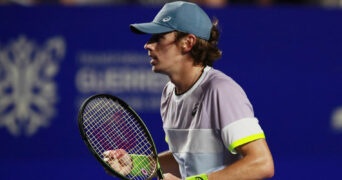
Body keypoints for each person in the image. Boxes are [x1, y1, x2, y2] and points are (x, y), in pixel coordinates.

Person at [105, 1, 274, 180]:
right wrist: (133, 164)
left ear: (188, 42)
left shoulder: (221, 90)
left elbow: (262, 163)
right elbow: (184, 160)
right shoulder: (169, 93)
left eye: (158, 38)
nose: (148, 45)